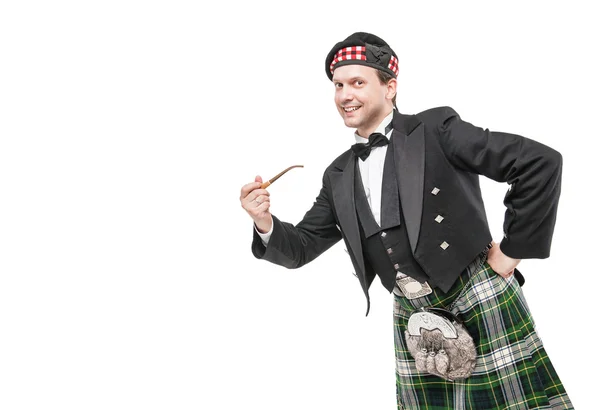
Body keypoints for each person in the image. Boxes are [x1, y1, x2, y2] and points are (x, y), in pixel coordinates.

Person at [239, 32, 572, 409]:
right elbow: (300, 248)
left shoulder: (436, 129)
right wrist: (264, 221)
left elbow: (539, 163)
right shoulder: (338, 174)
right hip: (414, 317)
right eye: (338, 85)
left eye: (358, 83)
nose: (345, 95)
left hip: (476, 295)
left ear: (390, 87)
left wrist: (511, 252)